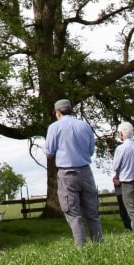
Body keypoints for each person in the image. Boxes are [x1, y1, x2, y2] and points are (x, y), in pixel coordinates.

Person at [44, 99, 103, 245]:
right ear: (71, 110)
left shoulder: (54, 127)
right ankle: (99, 245)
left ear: (58, 113)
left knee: (73, 213)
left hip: (67, 174)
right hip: (86, 172)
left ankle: (81, 249)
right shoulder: (85, 126)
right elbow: (90, 151)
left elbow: (49, 152)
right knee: (92, 213)